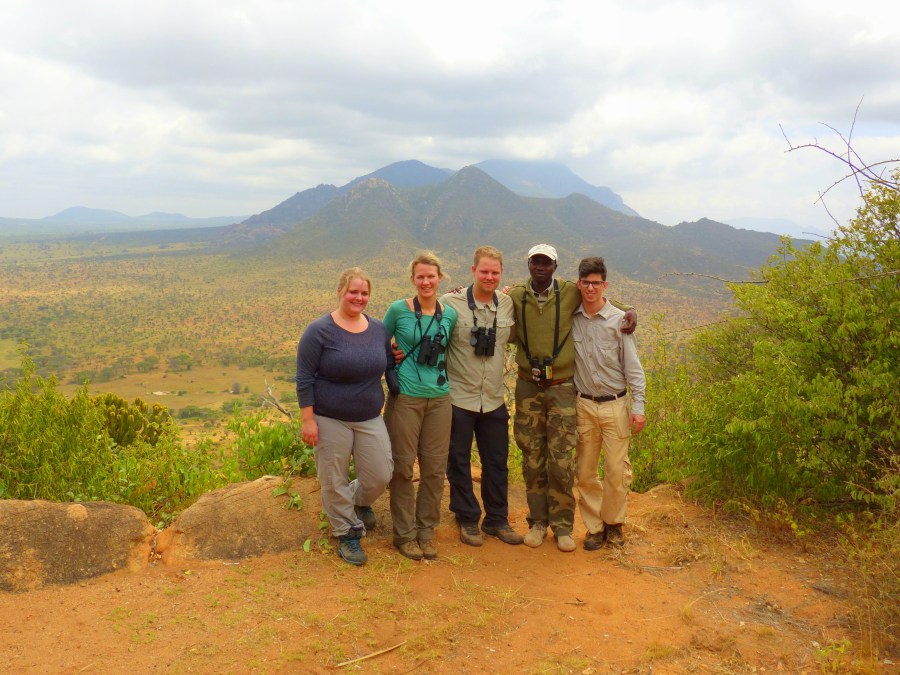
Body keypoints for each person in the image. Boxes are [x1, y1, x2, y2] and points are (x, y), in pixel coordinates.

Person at [508, 244, 636, 552]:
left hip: (563, 388)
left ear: (555, 266)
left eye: (546, 263)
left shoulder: (569, 292)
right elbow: (487, 299)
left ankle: (563, 526)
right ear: (528, 264)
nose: (540, 267)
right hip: (527, 386)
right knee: (532, 457)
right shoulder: (515, 296)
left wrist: (630, 311)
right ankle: (538, 522)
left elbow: (599, 298)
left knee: (562, 459)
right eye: (535, 262)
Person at [295, 267, 394, 566]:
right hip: (329, 416)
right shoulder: (319, 331)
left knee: (380, 474)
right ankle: (347, 533)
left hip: (369, 415)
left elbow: (387, 362)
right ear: (340, 292)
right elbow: (304, 378)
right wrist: (308, 420)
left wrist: (397, 355)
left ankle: (358, 501)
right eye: (353, 292)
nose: (358, 297)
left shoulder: (378, 329)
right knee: (333, 476)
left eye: (364, 293)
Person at [441, 246, 523, 547]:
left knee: (497, 462)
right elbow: (425, 326)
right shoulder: (450, 302)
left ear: (502, 274)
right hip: (458, 397)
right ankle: (467, 518)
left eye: (495, 272)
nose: (489, 277)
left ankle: (496, 519)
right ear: (473, 270)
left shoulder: (508, 303)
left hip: (493, 398)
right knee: (458, 460)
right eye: (484, 271)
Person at [383, 252, 458, 561]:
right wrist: (391, 354)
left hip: (440, 398)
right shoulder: (398, 310)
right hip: (406, 398)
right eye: (421, 277)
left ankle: (426, 530)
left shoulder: (449, 314)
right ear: (413, 280)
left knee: (435, 469)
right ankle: (404, 534)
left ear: (440, 278)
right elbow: (377, 342)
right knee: (402, 467)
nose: (426, 282)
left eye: (431, 276)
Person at [573, 256, 646, 549]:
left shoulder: (619, 321)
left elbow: (633, 368)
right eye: (586, 283)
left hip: (615, 404)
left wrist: (638, 407)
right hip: (583, 405)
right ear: (579, 284)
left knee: (616, 471)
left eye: (596, 283)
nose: (591, 288)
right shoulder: (571, 318)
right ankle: (594, 527)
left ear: (605, 285)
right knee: (586, 471)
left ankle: (614, 524)